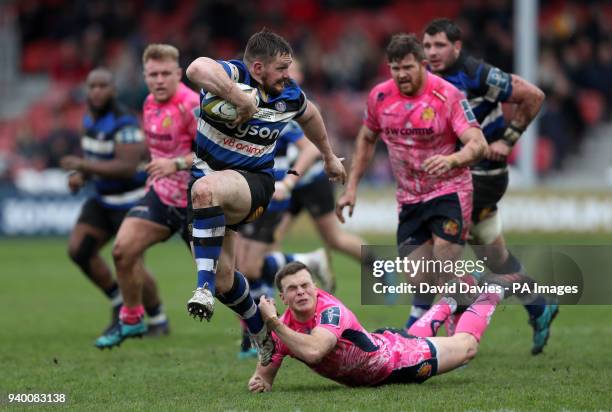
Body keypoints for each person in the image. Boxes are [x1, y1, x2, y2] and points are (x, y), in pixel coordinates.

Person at [185, 28, 346, 365]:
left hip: (254, 185)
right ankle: (262, 334)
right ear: (257, 68)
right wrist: (238, 97)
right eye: (282, 68)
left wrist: (329, 156)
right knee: (226, 280)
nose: (288, 75)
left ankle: (201, 289)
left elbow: (312, 116)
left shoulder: (289, 94)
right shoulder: (233, 74)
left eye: (289, 68)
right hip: (212, 190)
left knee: (204, 189)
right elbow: (196, 68)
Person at [422, 18, 557, 354]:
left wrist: (509, 140)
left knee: (438, 249)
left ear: (457, 47)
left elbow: (533, 96)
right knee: (493, 255)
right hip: (456, 174)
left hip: (482, 175)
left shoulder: (476, 73)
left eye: (440, 45)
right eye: (427, 46)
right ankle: (538, 305)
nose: (432, 52)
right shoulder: (427, 77)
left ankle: (449, 340)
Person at [336, 34, 487, 304]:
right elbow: (367, 139)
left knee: (443, 267)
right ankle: (477, 294)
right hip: (409, 198)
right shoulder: (380, 96)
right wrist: (352, 188)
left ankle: (450, 334)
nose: (401, 74)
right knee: (419, 280)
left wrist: (452, 160)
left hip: (449, 191)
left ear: (423, 64)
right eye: (395, 68)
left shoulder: (447, 96)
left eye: (408, 67)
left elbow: (478, 145)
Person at [248, 261, 503, 391]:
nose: (301, 292)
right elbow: (263, 376)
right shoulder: (281, 328)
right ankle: (452, 299)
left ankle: (493, 289)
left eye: (305, 285)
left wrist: (271, 323)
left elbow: (315, 351)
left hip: (398, 363)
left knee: (467, 347)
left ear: (316, 287)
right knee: (412, 337)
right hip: (384, 343)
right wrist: (260, 382)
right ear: (282, 298)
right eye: (292, 289)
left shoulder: (331, 311)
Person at [95, 44, 199, 349]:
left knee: (220, 282)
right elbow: (159, 149)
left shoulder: (191, 105)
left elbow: (215, 154)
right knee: (122, 251)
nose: (159, 80)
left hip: (199, 201)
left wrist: (176, 164)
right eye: (153, 74)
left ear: (179, 74)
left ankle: (255, 332)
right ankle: (131, 318)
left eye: (166, 73)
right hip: (163, 197)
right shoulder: (149, 103)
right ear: (145, 75)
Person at [60, 67, 165, 339]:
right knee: (79, 251)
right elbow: (96, 158)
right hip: (102, 200)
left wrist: (83, 165)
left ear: (113, 90)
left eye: (102, 86)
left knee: (132, 264)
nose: (96, 91)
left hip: (130, 201)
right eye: (92, 86)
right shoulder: (89, 119)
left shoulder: (125, 123)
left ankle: (157, 318)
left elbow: (127, 167)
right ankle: (120, 301)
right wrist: (81, 175)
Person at [235, 120, 333, 358]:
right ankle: (309, 260)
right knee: (240, 268)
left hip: (270, 198)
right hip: (240, 194)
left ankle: (260, 336)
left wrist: (289, 181)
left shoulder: (275, 115)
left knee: (248, 267)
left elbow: (310, 149)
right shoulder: (226, 112)